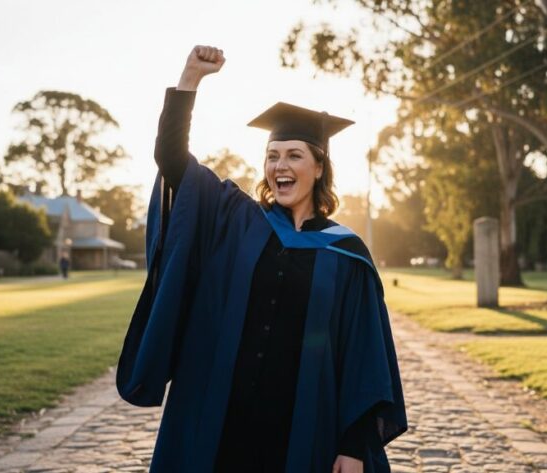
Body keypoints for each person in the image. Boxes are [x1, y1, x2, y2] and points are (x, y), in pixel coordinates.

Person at [116, 45, 407, 473]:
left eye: (294, 155)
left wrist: (354, 444)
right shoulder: (237, 220)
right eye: (272, 155)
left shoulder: (346, 254)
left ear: (319, 167)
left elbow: (363, 356)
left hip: (301, 428)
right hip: (221, 419)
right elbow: (174, 163)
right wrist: (189, 81)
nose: (279, 166)